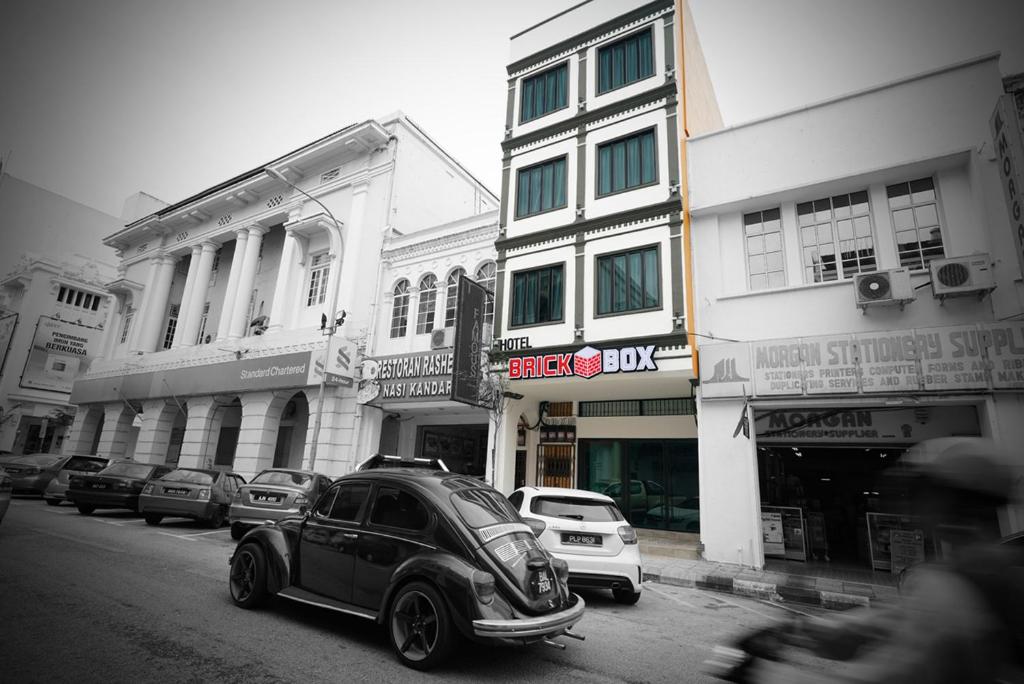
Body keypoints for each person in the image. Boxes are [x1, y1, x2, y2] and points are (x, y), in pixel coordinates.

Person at [708, 437, 1024, 684]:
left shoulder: (951, 592)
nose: (913, 506)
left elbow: (886, 674)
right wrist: (801, 633)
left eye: (923, 493)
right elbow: (888, 622)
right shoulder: (978, 567)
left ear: (952, 501)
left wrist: (756, 672)